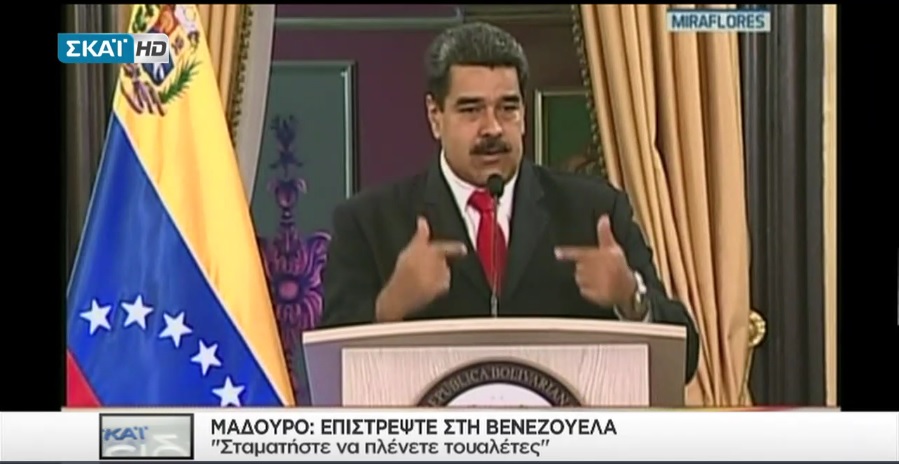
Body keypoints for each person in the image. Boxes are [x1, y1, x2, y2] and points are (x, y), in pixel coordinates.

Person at [320, 22, 699, 382]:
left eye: (508, 108)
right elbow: (326, 376)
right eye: (471, 110)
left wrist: (631, 298)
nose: (493, 128)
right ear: (435, 116)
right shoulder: (368, 221)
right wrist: (391, 306)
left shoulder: (594, 213)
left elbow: (685, 359)